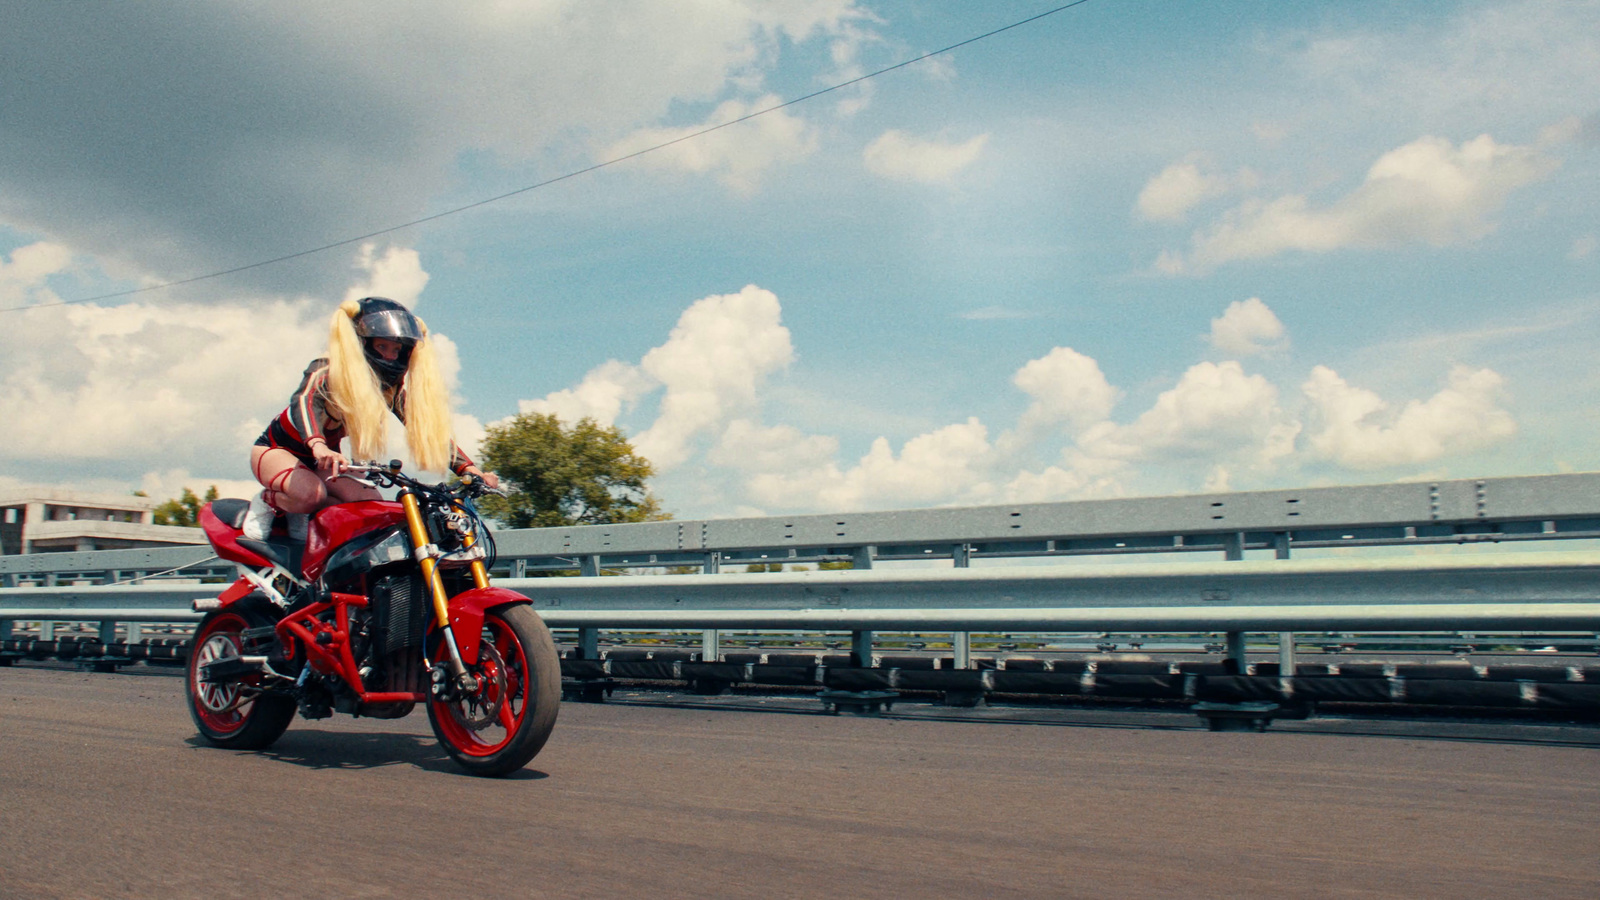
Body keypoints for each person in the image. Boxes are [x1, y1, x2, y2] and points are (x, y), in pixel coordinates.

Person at [244, 296, 498, 540]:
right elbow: (303, 402)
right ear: (362, 343)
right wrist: (318, 445)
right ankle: (268, 501)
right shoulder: (326, 369)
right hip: (278, 450)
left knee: (369, 503)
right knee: (312, 495)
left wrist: (469, 469)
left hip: (323, 463)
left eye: (396, 349)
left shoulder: (388, 390)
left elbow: (426, 431)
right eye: (382, 346)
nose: (389, 355)